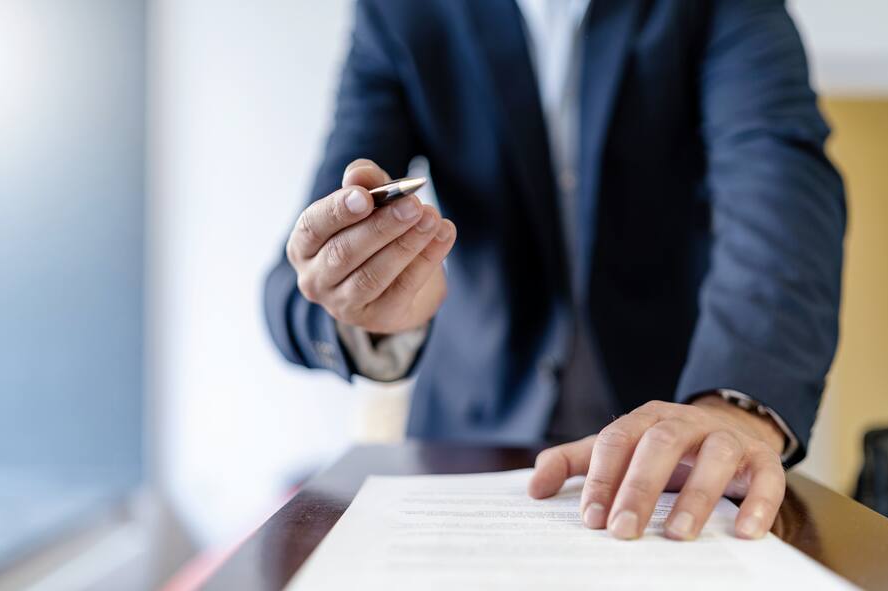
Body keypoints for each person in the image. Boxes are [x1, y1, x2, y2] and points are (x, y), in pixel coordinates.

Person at [265, 0, 845, 542]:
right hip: (469, 451)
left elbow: (779, 188)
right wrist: (372, 306)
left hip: (679, 439)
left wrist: (736, 402)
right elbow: (297, 282)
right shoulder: (398, 10)